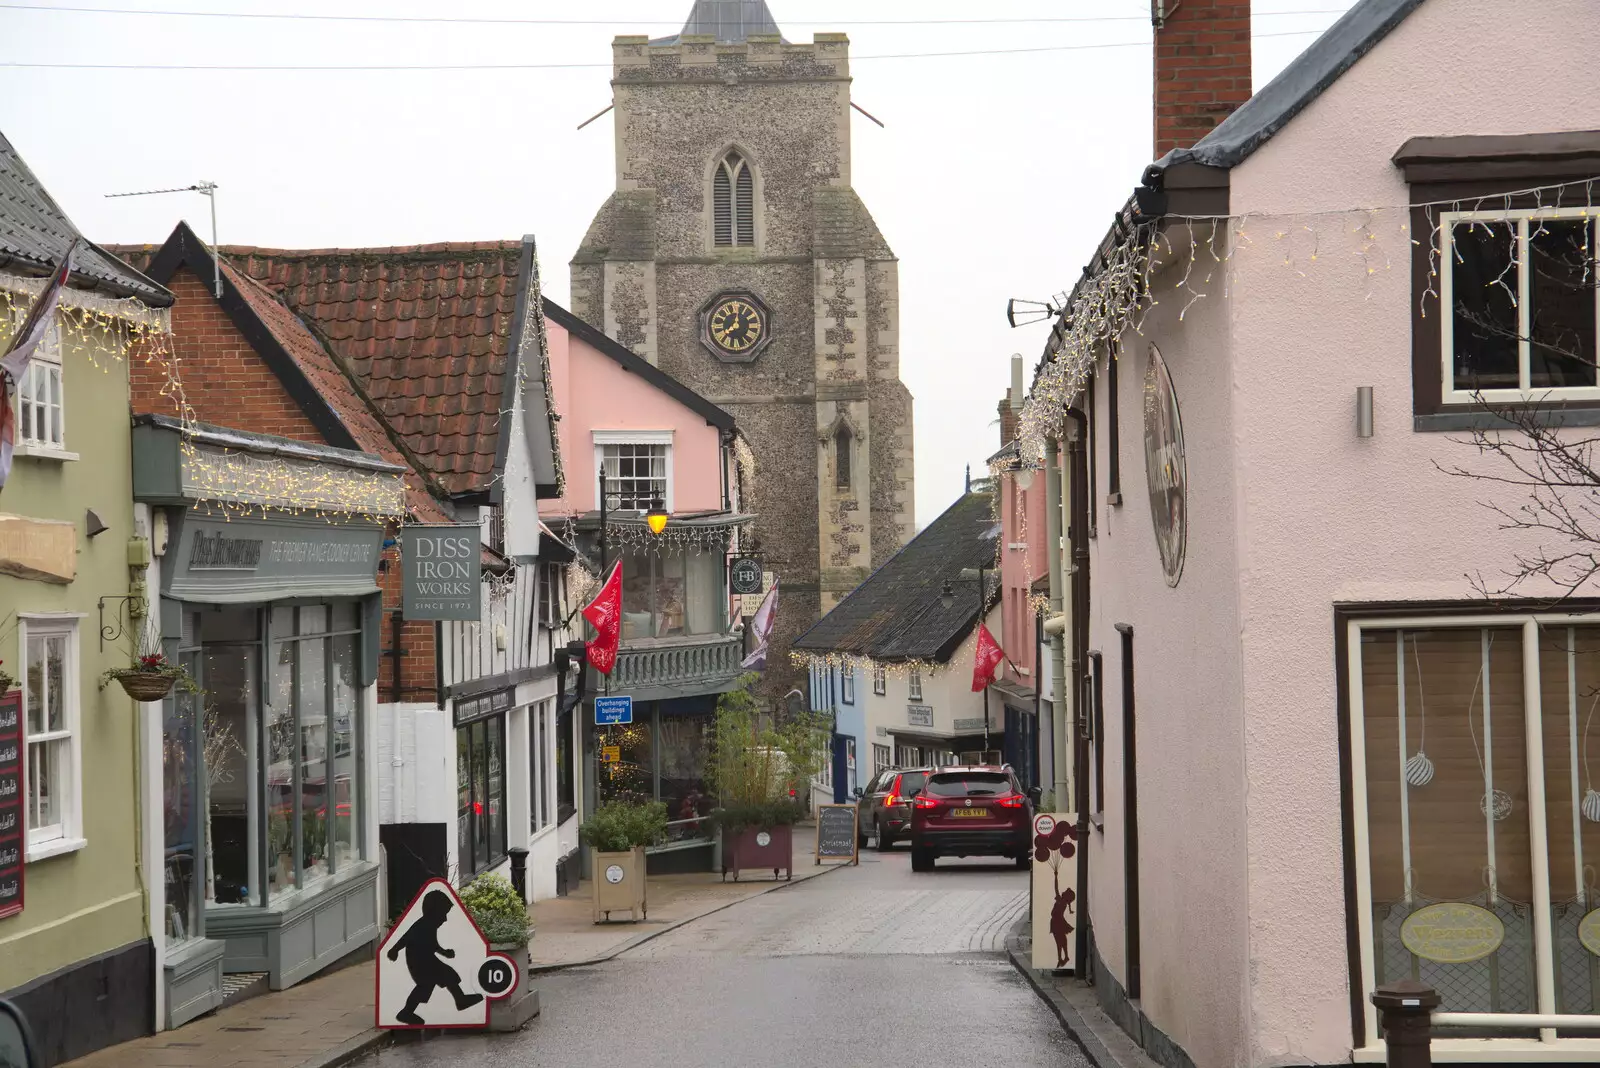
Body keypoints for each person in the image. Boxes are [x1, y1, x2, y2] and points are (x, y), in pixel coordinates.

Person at [387, 889, 483, 1025]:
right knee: (424, 986)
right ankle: (406, 1013)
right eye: (443, 914)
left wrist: (445, 952)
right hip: (419, 962)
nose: (445, 919)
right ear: (434, 912)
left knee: (447, 974)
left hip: (427, 959)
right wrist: (394, 949)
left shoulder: (429, 925)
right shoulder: (422, 925)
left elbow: (433, 945)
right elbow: (406, 937)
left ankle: (460, 999)